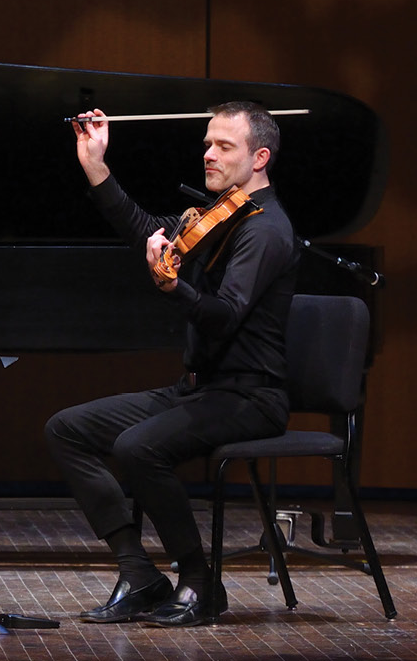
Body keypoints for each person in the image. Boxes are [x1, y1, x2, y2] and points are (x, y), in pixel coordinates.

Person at [45, 101, 301, 627]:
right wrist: (96, 165)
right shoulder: (221, 216)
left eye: (223, 146)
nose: (208, 154)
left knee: (138, 447)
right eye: (207, 143)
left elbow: (224, 316)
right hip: (198, 389)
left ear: (260, 158)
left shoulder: (265, 229)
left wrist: (172, 287)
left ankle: (199, 581)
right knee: (67, 429)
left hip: (250, 396)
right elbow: (145, 229)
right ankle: (139, 574)